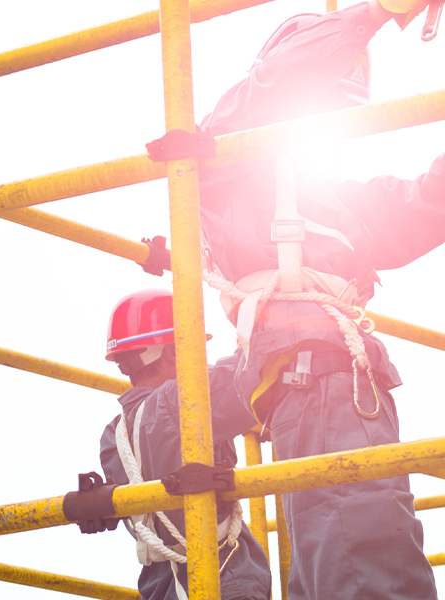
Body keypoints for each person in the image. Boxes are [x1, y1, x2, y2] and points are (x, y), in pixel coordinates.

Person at [194, 2, 445, 598]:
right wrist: (378, 11)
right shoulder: (228, 147)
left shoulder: (322, 204)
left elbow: (418, 204)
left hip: (336, 381)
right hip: (318, 379)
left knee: (346, 561)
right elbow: (278, 83)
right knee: (366, 567)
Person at [96, 289, 269, 600]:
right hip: (218, 581)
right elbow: (253, 374)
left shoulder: (114, 435)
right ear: (175, 352)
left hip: (161, 587)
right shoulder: (182, 401)